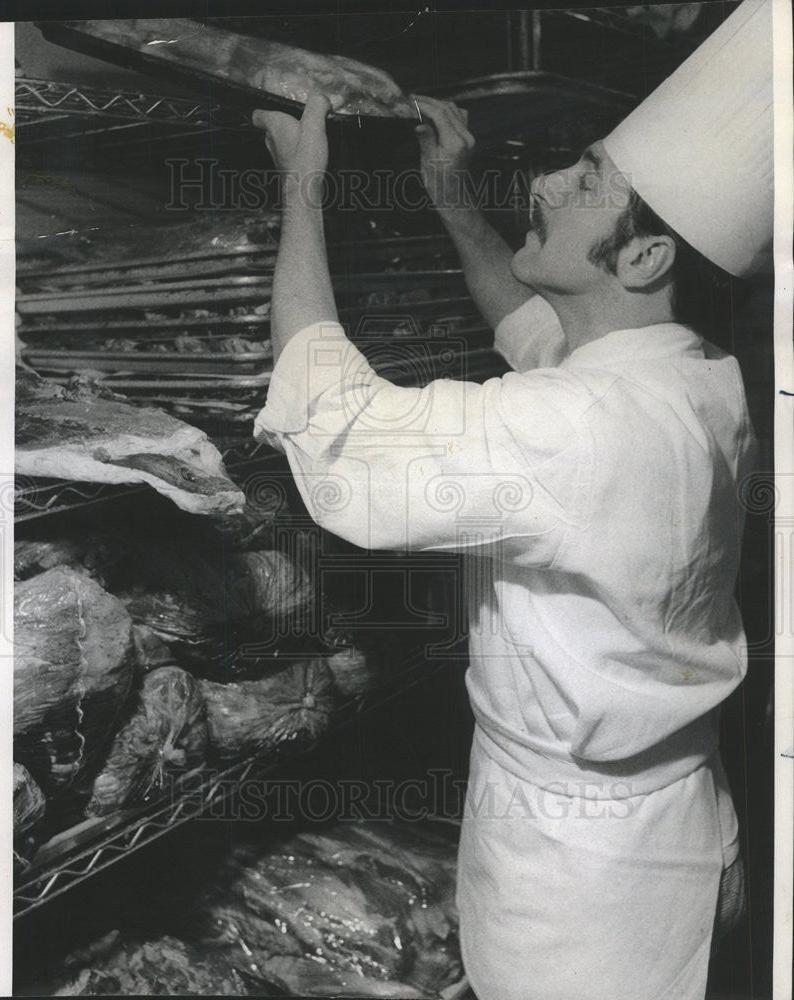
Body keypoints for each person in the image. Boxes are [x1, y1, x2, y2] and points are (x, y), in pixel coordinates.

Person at [251, 1, 772, 996]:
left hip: (576, 889)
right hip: (677, 824)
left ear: (643, 257)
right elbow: (540, 331)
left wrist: (301, 187)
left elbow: (343, 434)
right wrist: (450, 201)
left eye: (583, 182)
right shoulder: (693, 375)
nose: (541, 181)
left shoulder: (579, 424)